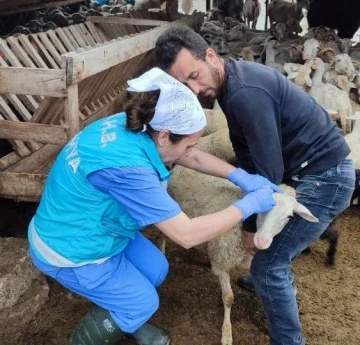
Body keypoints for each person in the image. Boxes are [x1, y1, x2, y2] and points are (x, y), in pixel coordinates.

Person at [27, 67, 280, 345]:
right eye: (189, 144)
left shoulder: (133, 125)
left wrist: (240, 176)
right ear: (164, 136)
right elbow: (186, 234)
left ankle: (123, 316)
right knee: (144, 303)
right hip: (70, 249)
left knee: (156, 270)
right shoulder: (129, 169)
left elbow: (190, 156)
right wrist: (248, 205)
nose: (190, 151)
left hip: (94, 226)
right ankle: (94, 334)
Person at [154, 26, 356, 345]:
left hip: (324, 178)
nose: (194, 88)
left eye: (194, 75)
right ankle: (267, 278)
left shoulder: (245, 93)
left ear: (209, 56)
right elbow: (247, 152)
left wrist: (249, 224)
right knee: (270, 254)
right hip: (306, 170)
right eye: (185, 83)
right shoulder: (231, 85)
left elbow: (268, 171)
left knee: (267, 265)